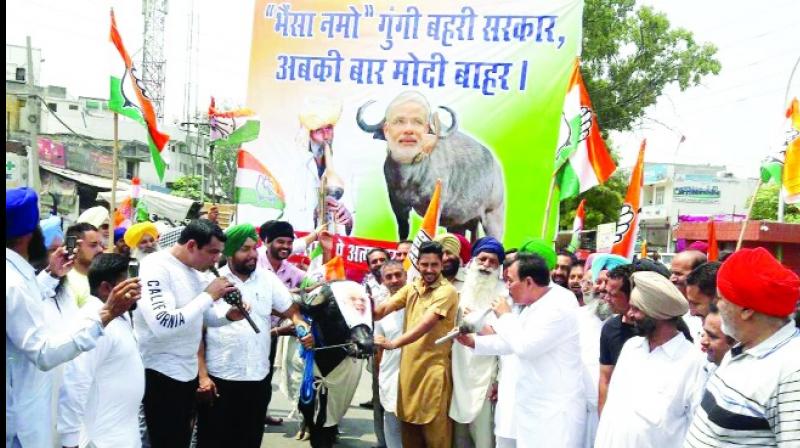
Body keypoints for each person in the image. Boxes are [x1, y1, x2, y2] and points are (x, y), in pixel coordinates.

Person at [6, 187, 139, 447]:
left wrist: (51, 275)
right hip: (20, 424)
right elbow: (43, 353)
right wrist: (104, 316)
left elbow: (23, 308)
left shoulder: (17, 277)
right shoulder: (14, 283)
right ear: (29, 234)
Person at [133, 219, 248, 448]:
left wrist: (228, 316)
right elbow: (163, 324)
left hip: (187, 373)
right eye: (212, 252)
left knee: (181, 440)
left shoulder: (197, 271)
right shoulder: (155, 266)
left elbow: (200, 317)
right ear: (192, 245)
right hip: (160, 372)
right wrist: (208, 296)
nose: (216, 259)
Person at [196, 224, 312, 448]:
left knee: (249, 440)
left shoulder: (267, 279)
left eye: (253, 248)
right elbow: (197, 333)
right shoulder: (211, 282)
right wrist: (202, 377)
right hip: (220, 379)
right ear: (230, 252)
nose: (252, 255)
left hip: (257, 379)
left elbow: (292, 311)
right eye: (244, 249)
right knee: (214, 441)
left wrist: (301, 326)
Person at [457, 253, 586, 448]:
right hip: (532, 407)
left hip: (555, 414)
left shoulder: (559, 304)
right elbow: (512, 342)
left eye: (510, 281)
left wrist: (505, 316)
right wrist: (474, 343)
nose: (507, 286)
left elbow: (526, 346)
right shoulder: (533, 304)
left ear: (529, 282)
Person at [685, 247, 800, 447]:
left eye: (721, 298)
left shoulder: (792, 373)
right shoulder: (742, 347)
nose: (717, 306)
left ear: (746, 310)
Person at [595, 271, 706, 447]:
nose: (629, 314)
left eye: (636, 309)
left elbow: (697, 426)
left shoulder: (693, 361)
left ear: (657, 313)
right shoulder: (631, 347)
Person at [374, 241, 459, 448]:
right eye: (424, 264)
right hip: (408, 374)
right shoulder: (412, 287)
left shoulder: (447, 291)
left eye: (434, 265)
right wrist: (360, 308)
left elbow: (426, 324)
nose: (429, 270)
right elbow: (383, 309)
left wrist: (394, 343)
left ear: (441, 265)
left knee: (436, 437)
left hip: (432, 373)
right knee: (409, 436)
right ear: (417, 264)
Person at [58, 254, 144, 448]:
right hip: (101, 441)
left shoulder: (121, 316)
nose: (138, 289)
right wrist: (70, 442)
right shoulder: (91, 322)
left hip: (124, 437)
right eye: (129, 283)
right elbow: (75, 383)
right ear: (106, 288)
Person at [450, 237, 506, 448]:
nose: (486, 265)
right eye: (482, 259)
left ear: (499, 267)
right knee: (458, 435)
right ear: (473, 260)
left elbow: (505, 339)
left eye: (493, 262)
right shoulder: (458, 290)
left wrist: (499, 379)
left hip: (486, 373)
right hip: (458, 369)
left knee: (483, 435)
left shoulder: (504, 294)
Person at [288, 96, 354, 235]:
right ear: (308, 134)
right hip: (301, 243)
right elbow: (287, 215)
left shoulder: (344, 166)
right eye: (319, 130)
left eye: (329, 128)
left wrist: (348, 220)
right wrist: (316, 213)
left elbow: (353, 217)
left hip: (334, 242)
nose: (326, 136)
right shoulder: (294, 165)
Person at [374, 261, 409, 448]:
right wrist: (380, 372)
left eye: (398, 275)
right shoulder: (381, 309)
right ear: (383, 280)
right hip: (390, 372)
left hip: (414, 372)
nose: (394, 280)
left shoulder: (419, 302)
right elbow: (378, 346)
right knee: (391, 420)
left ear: (406, 276)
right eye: (389, 277)